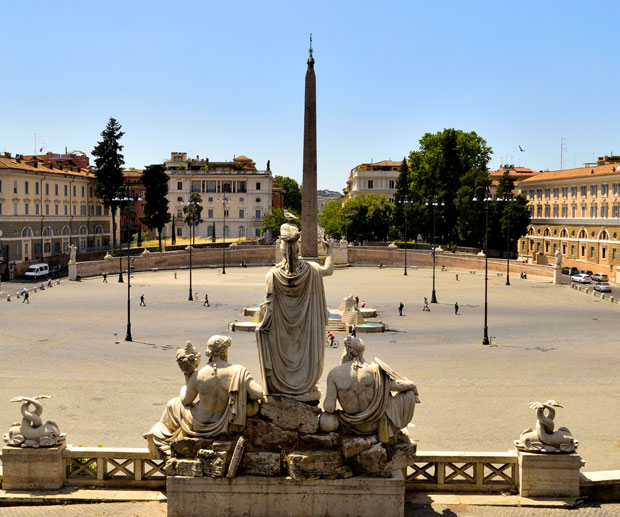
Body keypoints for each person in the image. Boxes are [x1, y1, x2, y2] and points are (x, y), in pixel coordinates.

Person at [144, 336, 264, 457]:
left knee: (172, 404)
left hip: (198, 423)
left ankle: (164, 439)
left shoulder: (199, 374)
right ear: (225, 351)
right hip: (224, 424)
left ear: (209, 352)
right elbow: (258, 393)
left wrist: (186, 381)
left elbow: (186, 400)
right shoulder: (238, 371)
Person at [256, 223, 333, 398]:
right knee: (302, 354)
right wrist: (329, 251)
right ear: (298, 248)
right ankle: (305, 384)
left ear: (282, 249)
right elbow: (328, 269)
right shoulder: (312, 270)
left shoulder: (273, 275)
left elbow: (269, 309)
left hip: (280, 335)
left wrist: (261, 326)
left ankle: (281, 386)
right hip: (305, 333)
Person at [320, 336, 420, 443]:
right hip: (374, 425)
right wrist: (412, 385)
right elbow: (397, 386)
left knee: (326, 421)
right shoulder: (375, 370)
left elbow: (329, 407)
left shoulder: (334, 374)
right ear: (362, 352)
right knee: (408, 393)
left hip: (350, 424)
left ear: (346, 351)